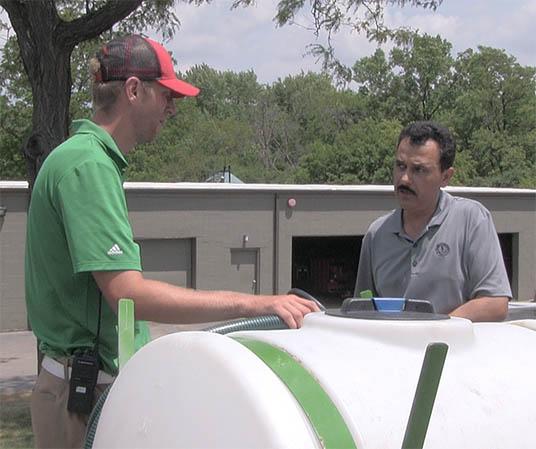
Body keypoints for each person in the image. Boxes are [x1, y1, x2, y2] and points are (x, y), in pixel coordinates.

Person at [24, 34, 319, 449]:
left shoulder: (86, 159)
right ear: (133, 90)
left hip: (90, 389)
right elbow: (129, 296)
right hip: (80, 402)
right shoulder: (86, 165)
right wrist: (261, 303)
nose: (172, 108)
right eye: (166, 95)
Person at [354, 121, 510, 321]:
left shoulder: (471, 220)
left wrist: (435, 329)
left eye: (419, 170)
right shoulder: (377, 234)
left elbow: (495, 303)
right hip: (393, 350)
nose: (404, 179)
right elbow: (361, 310)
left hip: (452, 350)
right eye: (400, 166)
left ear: (446, 177)